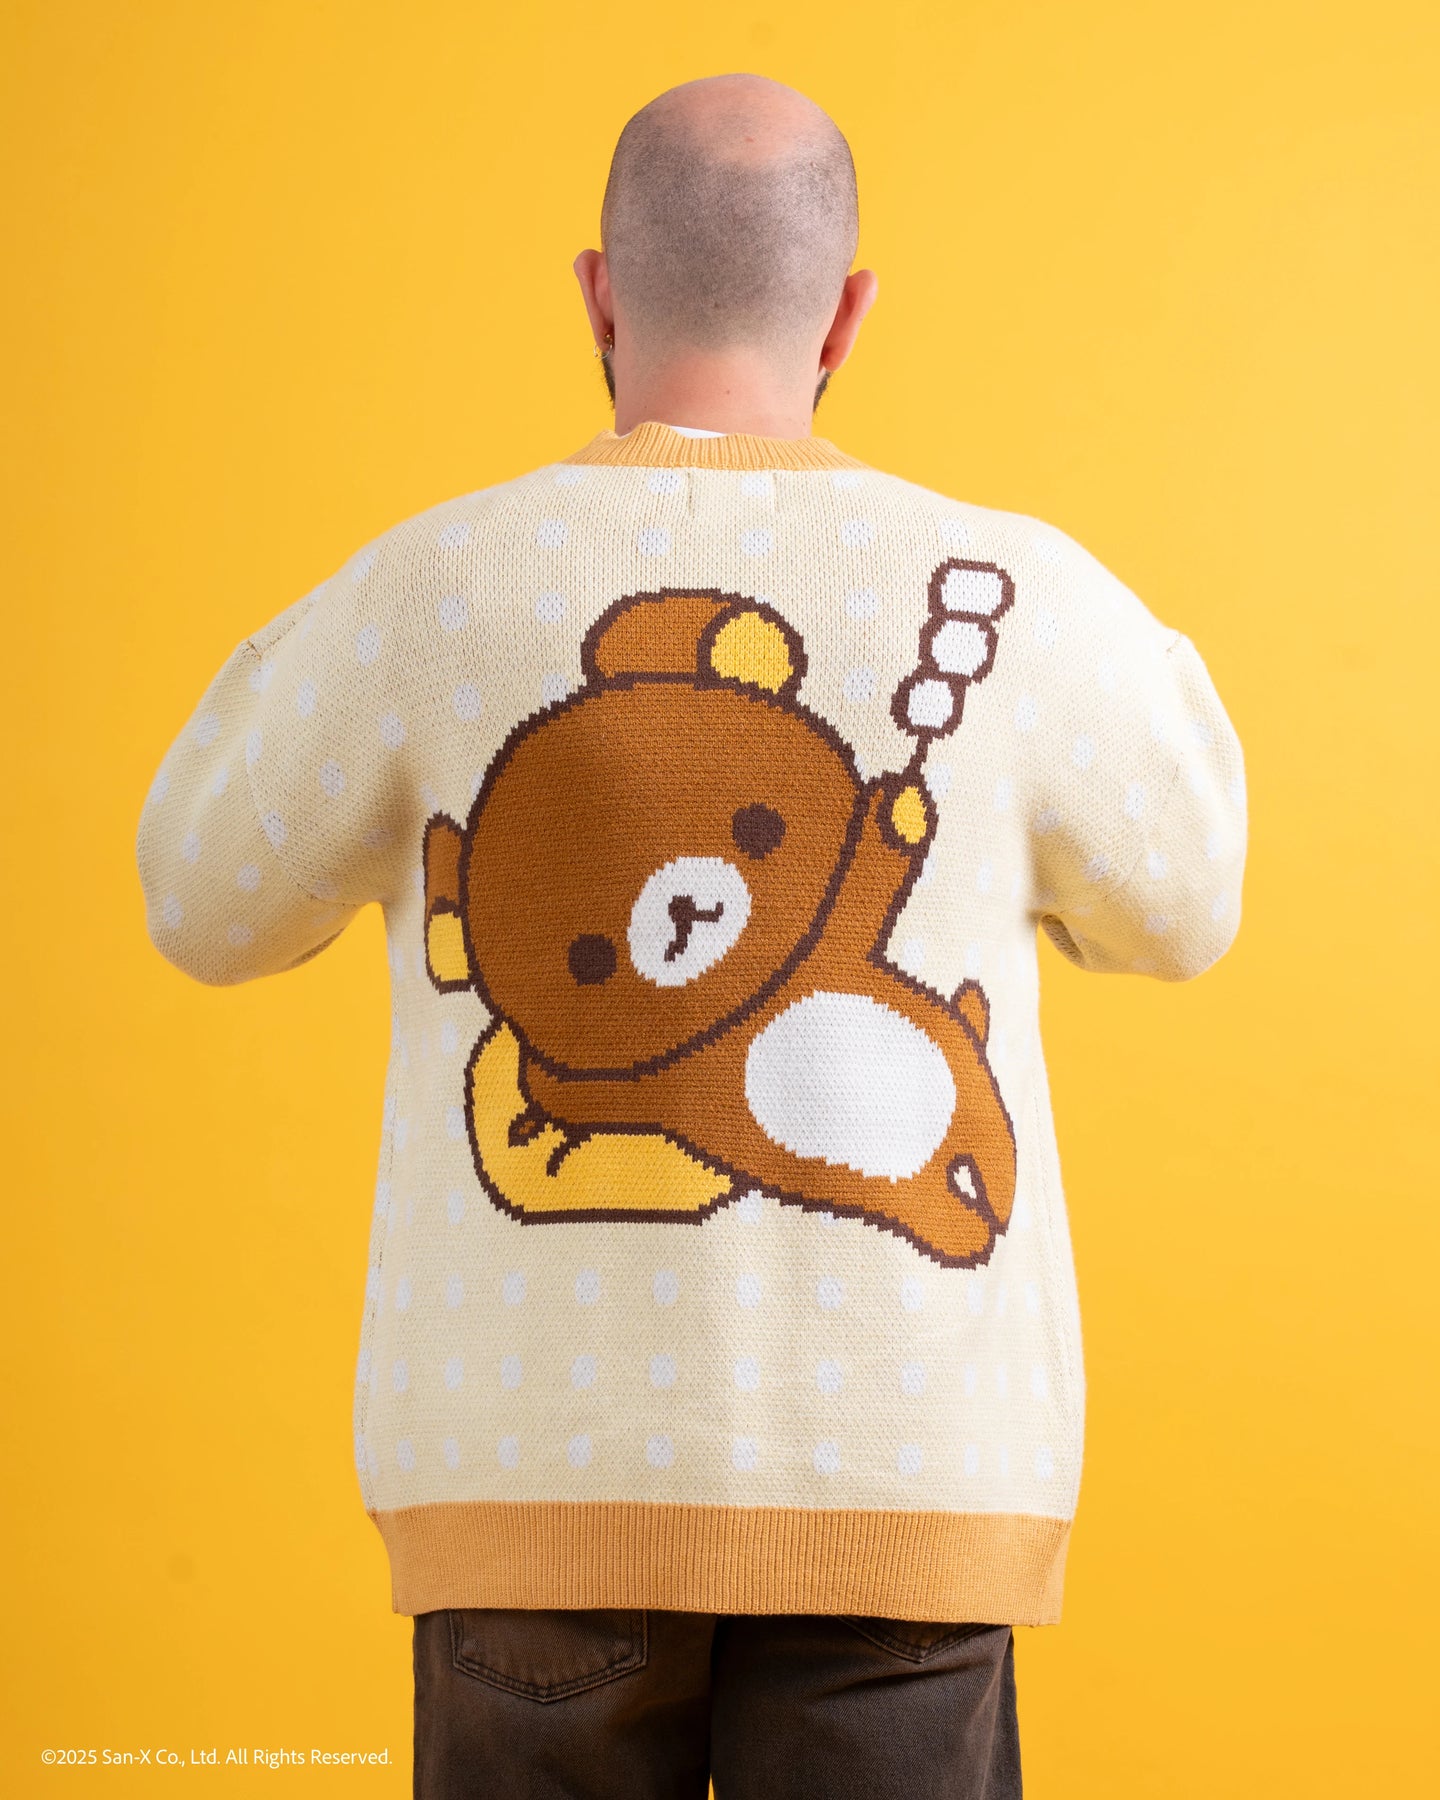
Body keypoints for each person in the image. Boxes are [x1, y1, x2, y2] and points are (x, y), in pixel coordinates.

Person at [135, 72, 1246, 1800]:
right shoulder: (1024, 599)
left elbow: (199, 890)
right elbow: (1189, 900)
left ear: (599, 291)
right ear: (848, 313)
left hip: (527, 1481)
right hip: (907, 1483)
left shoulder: (427, 589)